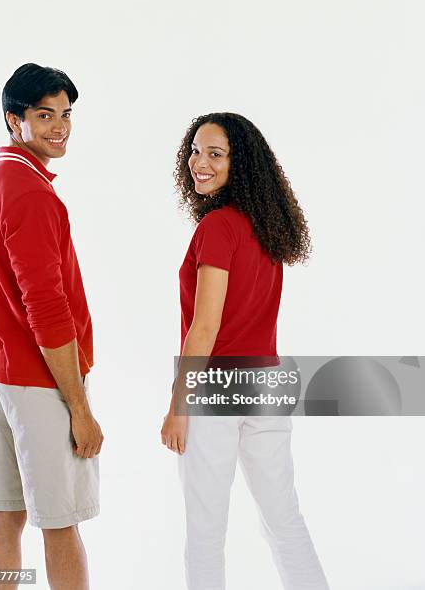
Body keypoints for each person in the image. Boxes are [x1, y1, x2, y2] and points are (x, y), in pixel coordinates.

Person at [161, 113, 330, 590]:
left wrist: (179, 404)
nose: (199, 162)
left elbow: (206, 326)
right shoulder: (268, 229)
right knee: (284, 520)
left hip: (216, 388)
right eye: (196, 149)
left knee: (205, 533)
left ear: (241, 164)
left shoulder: (218, 227)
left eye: (216, 154)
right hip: (266, 382)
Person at [0, 63, 103, 590]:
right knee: (59, 520)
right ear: (14, 120)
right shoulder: (31, 193)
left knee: (7, 513)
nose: (59, 127)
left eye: (66, 114)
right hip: (37, 380)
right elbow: (46, 309)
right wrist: (79, 407)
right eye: (44, 115)